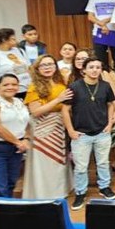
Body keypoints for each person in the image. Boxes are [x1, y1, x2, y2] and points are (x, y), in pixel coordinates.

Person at [63, 57, 115, 210]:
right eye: (91, 67)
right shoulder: (74, 87)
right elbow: (65, 110)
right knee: (81, 167)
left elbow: (110, 105)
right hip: (80, 134)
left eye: (98, 67)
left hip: (102, 132)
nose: (95, 70)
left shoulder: (106, 86)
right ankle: (80, 192)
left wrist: (109, 124)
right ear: (84, 70)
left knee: (103, 163)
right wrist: (70, 130)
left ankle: (104, 187)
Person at [23, 55, 73, 199]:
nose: (47, 68)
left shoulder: (60, 83)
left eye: (50, 64)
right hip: (43, 128)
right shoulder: (34, 86)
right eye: (43, 65)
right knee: (45, 162)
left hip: (60, 125)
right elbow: (35, 111)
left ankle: (61, 191)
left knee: (59, 161)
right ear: (37, 69)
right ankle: (45, 194)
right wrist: (58, 99)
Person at [0, 27, 31, 98]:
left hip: (28, 89)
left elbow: (29, 68)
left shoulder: (19, 51)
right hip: (10, 92)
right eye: (13, 39)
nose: (16, 41)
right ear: (4, 40)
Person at [85, 0, 115, 68]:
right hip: (99, 31)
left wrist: (105, 21)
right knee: (100, 59)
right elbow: (90, 16)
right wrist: (102, 25)